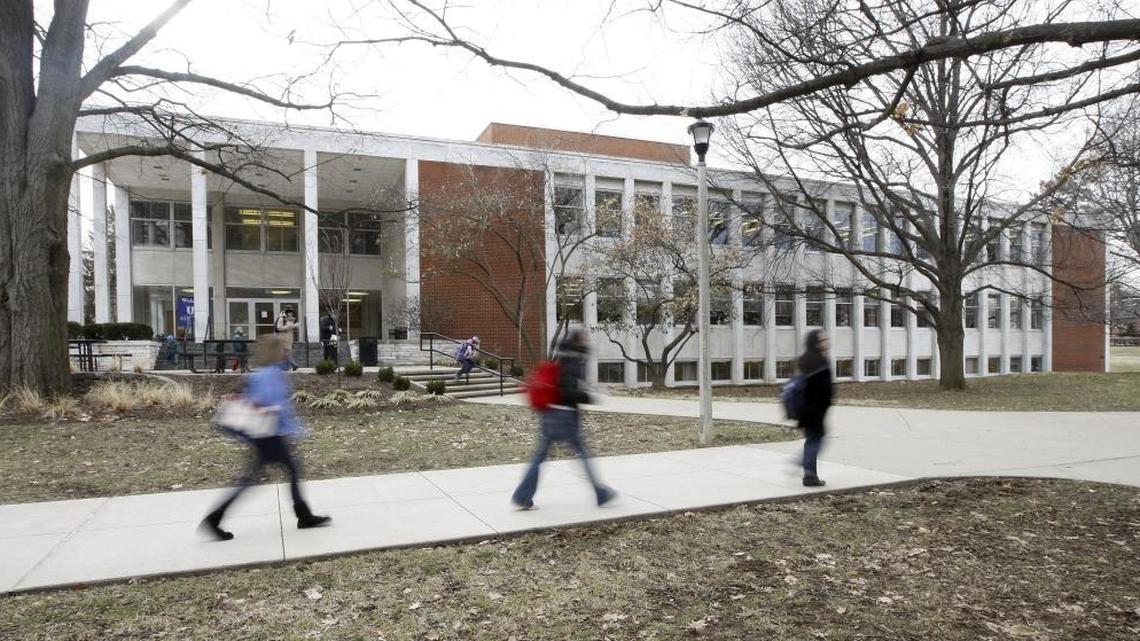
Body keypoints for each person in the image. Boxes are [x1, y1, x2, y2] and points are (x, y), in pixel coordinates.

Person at [201, 334, 330, 541]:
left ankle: (215, 518)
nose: (287, 352)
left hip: (263, 435)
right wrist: (290, 426)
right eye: (283, 349)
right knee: (281, 472)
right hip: (269, 435)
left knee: (266, 475)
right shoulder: (271, 375)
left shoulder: (261, 373)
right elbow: (268, 404)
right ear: (276, 352)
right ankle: (303, 517)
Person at [511, 329, 616, 509]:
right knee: (583, 455)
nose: (587, 341)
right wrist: (588, 397)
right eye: (584, 338)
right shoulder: (574, 360)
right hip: (565, 417)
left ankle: (522, 497)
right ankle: (601, 493)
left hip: (550, 414)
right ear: (579, 341)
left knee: (539, 457)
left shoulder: (563, 355)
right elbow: (566, 391)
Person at [797, 329, 834, 487]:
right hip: (815, 410)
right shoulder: (818, 361)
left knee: (812, 440)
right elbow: (822, 389)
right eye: (823, 340)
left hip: (807, 409)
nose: (827, 342)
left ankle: (807, 469)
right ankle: (808, 472)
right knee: (815, 440)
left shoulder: (806, 359)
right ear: (816, 343)